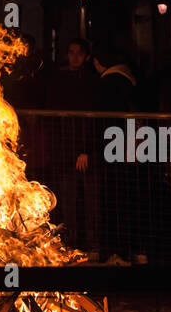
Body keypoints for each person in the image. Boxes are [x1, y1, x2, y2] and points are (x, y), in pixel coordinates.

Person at [45, 39, 99, 253]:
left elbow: (92, 118)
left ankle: (92, 244)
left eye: (78, 53)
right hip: (65, 148)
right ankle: (71, 243)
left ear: (86, 56)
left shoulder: (91, 81)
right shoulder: (60, 79)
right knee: (67, 200)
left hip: (84, 149)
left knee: (90, 199)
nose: (74, 57)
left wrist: (86, 149)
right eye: (71, 52)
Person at [93, 46, 137, 265]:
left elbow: (100, 120)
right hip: (127, 147)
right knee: (125, 199)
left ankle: (111, 251)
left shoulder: (105, 84)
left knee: (110, 200)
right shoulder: (130, 80)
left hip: (109, 148)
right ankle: (128, 250)